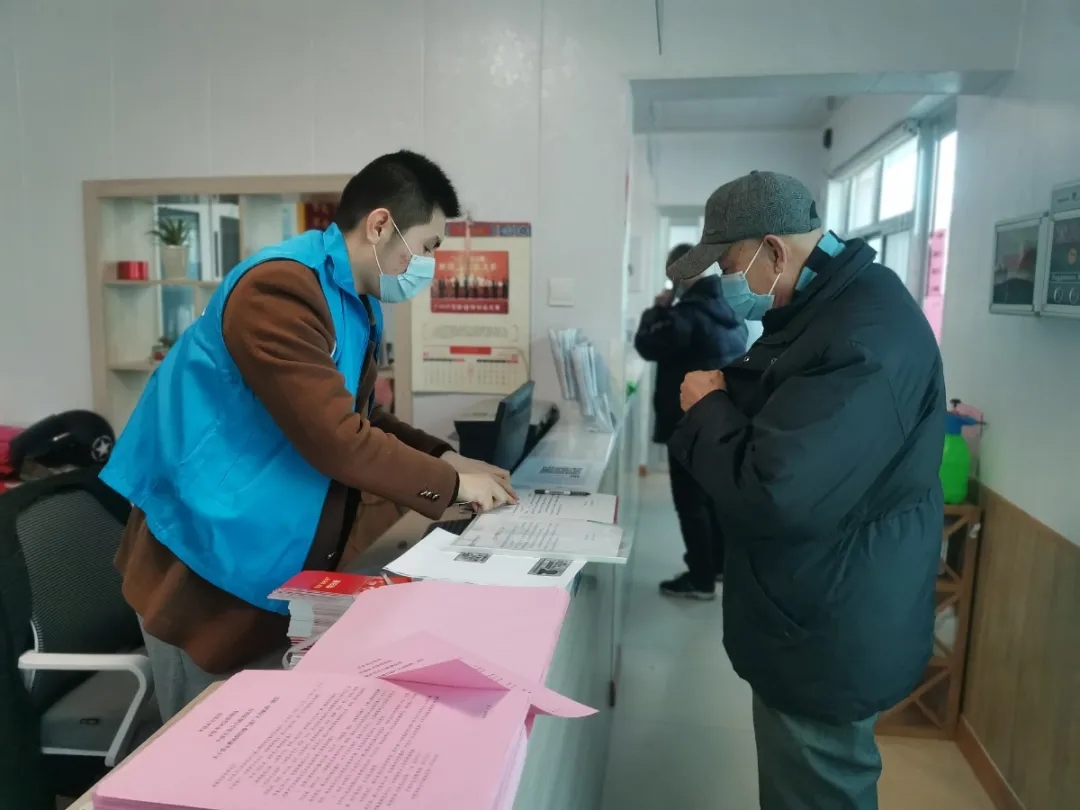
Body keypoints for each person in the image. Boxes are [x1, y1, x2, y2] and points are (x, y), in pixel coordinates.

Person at [100, 151, 516, 721]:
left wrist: (448, 457)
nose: (426, 264)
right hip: (200, 566)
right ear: (380, 225)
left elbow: (361, 416)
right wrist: (450, 484)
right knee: (202, 739)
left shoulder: (354, 300)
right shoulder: (279, 290)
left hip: (261, 551)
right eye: (426, 246)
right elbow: (335, 438)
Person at [666, 171, 946, 810]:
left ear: (772, 249)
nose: (727, 284)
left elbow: (776, 493)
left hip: (830, 623)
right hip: (820, 601)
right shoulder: (828, 308)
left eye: (729, 266)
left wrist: (708, 408)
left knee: (817, 790)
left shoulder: (863, 337)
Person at [633, 244, 747, 600]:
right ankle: (718, 566)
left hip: (686, 422)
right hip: (723, 418)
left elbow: (646, 345)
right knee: (713, 496)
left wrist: (658, 309)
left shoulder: (685, 316)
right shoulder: (729, 309)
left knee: (690, 501)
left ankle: (700, 579)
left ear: (678, 274)